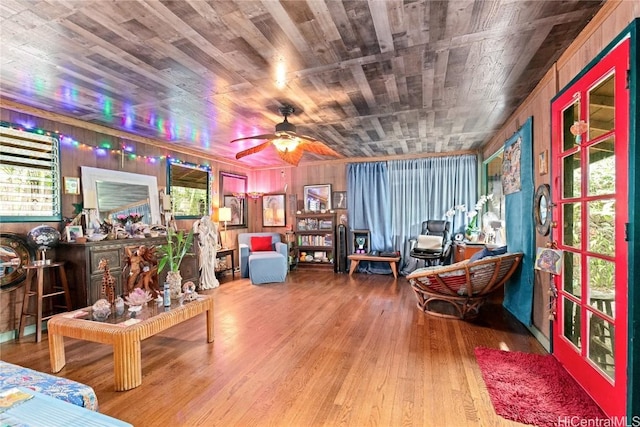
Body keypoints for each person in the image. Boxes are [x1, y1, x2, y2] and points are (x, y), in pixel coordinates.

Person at [193, 215, 220, 289]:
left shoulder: (210, 229)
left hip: (210, 249)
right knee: (205, 266)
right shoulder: (199, 230)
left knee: (210, 266)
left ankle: (211, 280)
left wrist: (210, 234)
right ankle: (204, 281)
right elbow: (200, 240)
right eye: (204, 221)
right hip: (204, 249)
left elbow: (214, 240)